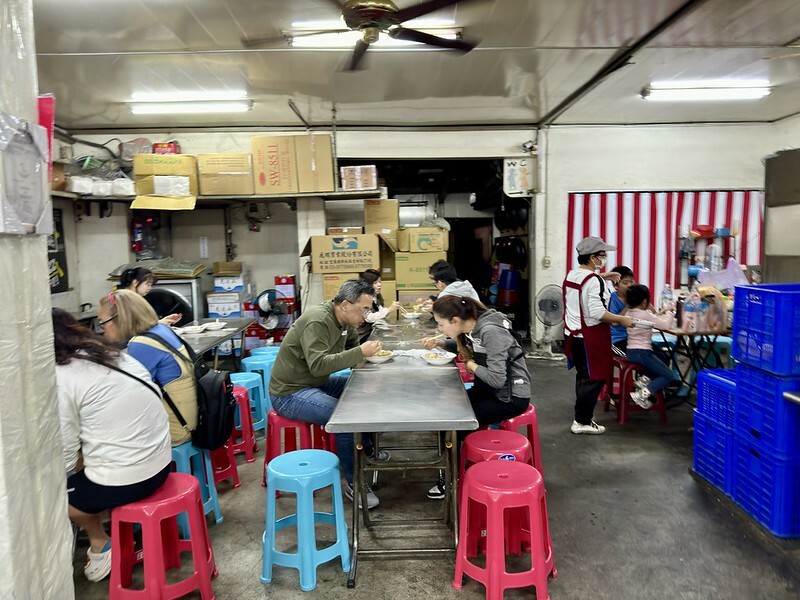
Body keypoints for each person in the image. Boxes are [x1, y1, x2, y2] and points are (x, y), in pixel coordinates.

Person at [52, 308, 171, 583]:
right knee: (89, 463)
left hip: (132, 479)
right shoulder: (113, 354)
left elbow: (67, 449)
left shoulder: (62, 374)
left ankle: (100, 542)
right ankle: (109, 519)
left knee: (53, 496)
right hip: (163, 463)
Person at [268, 280, 386, 509]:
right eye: (364, 309)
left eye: (369, 309)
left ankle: (369, 451)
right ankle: (354, 483)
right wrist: (360, 352)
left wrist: (363, 369)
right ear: (344, 304)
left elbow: (351, 348)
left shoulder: (346, 321)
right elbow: (319, 365)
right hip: (290, 392)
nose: (367, 314)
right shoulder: (318, 321)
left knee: (364, 390)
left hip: (316, 384)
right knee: (342, 417)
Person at [421, 295, 530, 499]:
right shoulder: (473, 328)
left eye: (441, 324)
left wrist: (471, 365)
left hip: (509, 398)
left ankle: (452, 479)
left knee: (455, 421)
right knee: (446, 410)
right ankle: (453, 464)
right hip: (487, 390)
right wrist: (442, 345)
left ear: (455, 320)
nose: (440, 330)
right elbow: (474, 349)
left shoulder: (491, 332)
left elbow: (497, 379)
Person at [98, 289, 198, 446]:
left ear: (120, 319)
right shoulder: (161, 329)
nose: (102, 329)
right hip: (191, 417)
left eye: (102, 323)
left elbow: (135, 395)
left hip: (177, 428)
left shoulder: (141, 344)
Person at [563, 236, 634, 435]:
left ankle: (582, 417)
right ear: (593, 257)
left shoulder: (572, 274)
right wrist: (621, 320)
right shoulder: (593, 281)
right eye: (602, 256)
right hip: (589, 337)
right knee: (594, 378)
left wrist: (604, 275)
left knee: (584, 377)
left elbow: (585, 285)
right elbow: (597, 313)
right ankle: (582, 421)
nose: (604, 258)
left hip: (573, 334)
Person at [624, 284, 677, 409]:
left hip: (631, 351)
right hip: (643, 353)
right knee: (668, 375)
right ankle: (642, 394)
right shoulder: (645, 315)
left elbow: (651, 318)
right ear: (644, 301)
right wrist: (670, 312)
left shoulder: (628, 313)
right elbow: (665, 325)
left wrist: (661, 313)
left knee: (660, 358)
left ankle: (644, 380)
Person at [416, 259, 481, 312]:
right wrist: (431, 300)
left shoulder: (446, 294)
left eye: (434, 282)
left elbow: (448, 315)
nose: (434, 284)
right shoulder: (460, 285)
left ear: (440, 282)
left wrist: (435, 309)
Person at [357, 268, 400, 343]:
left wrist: (390, 310)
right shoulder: (363, 296)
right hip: (362, 335)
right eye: (375, 283)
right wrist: (389, 309)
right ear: (367, 284)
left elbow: (380, 311)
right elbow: (369, 317)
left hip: (372, 331)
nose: (379, 285)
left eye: (380, 282)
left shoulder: (377, 295)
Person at [608, 265, 635, 354]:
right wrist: (628, 306)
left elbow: (653, 313)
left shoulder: (635, 298)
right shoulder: (613, 299)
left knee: (662, 356)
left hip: (634, 339)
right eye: (625, 283)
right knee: (642, 357)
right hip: (617, 341)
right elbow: (614, 322)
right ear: (615, 286)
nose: (630, 285)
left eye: (631, 281)